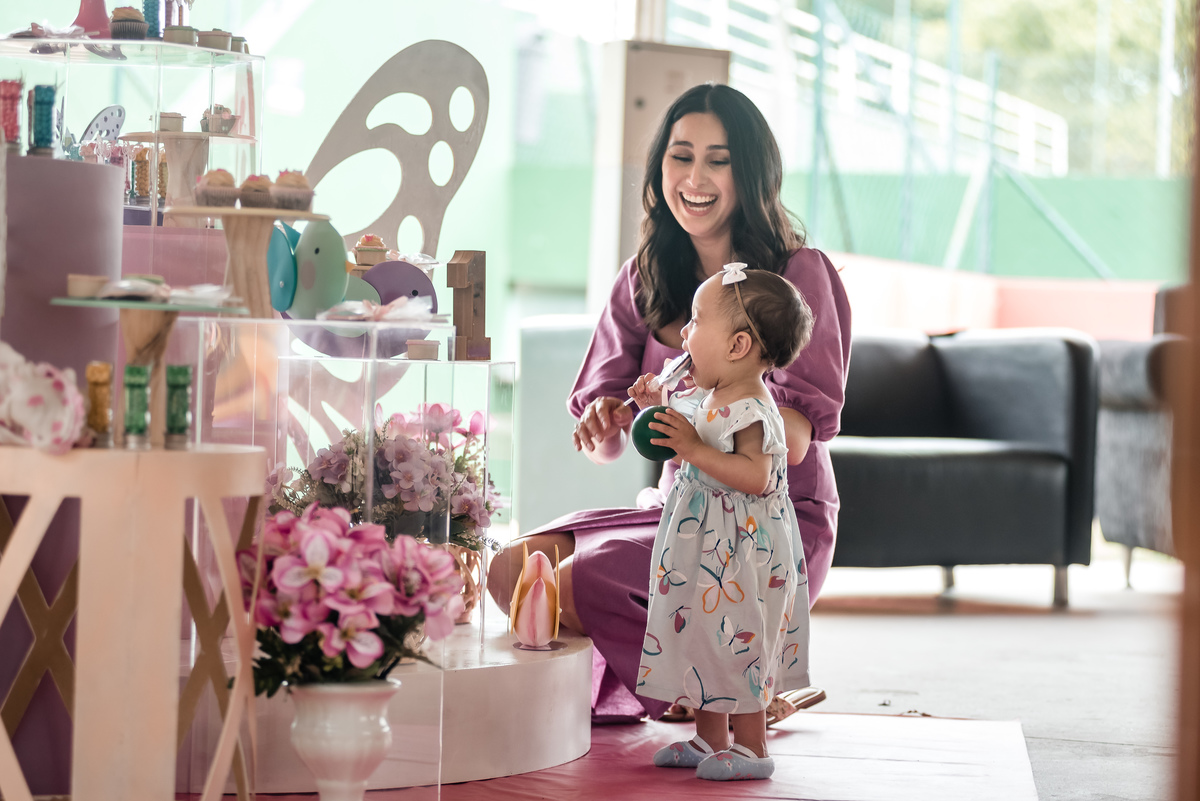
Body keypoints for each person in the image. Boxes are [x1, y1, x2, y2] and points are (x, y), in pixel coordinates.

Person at [488, 82, 851, 726]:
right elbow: (607, 446)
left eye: (719, 160)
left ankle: (725, 695)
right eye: (681, 156)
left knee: (582, 578)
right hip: (682, 508)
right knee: (514, 569)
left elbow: (793, 442)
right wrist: (606, 421)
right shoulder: (643, 277)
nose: (695, 178)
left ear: (752, 173)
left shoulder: (798, 274)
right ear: (661, 168)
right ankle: (718, 691)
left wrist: (694, 414)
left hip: (767, 521)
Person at [632, 264, 814, 781]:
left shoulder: (753, 409)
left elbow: (756, 476)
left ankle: (752, 747)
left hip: (741, 553)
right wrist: (659, 410)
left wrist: (691, 448)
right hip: (705, 545)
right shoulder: (709, 395)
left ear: (737, 346)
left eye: (695, 320)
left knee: (738, 640)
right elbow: (693, 442)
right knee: (701, 634)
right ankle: (709, 738)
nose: (684, 332)